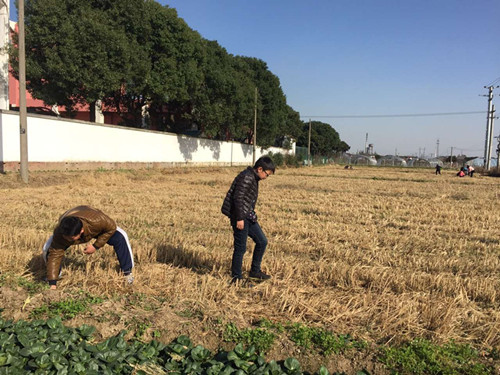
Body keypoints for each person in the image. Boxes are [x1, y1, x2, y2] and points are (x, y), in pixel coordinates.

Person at [43, 206, 134, 290]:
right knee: (47, 249)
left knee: (121, 237)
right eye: (65, 237)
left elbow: (111, 228)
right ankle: (55, 276)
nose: (67, 240)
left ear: (81, 231)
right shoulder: (60, 233)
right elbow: (55, 255)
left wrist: (96, 246)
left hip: (94, 226)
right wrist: (53, 284)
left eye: (71, 238)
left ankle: (127, 272)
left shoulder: (98, 220)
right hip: (73, 215)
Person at [221, 156, 275, 284]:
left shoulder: (253, 177)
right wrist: (239, 219)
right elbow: (238, 198)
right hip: (240, 217)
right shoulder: (247, 177)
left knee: (262, 241)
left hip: (248, 216)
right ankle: (236, 278)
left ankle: (255, 271)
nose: (266, 178)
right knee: (240, 248)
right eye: (267, 174)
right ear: (260, 169)